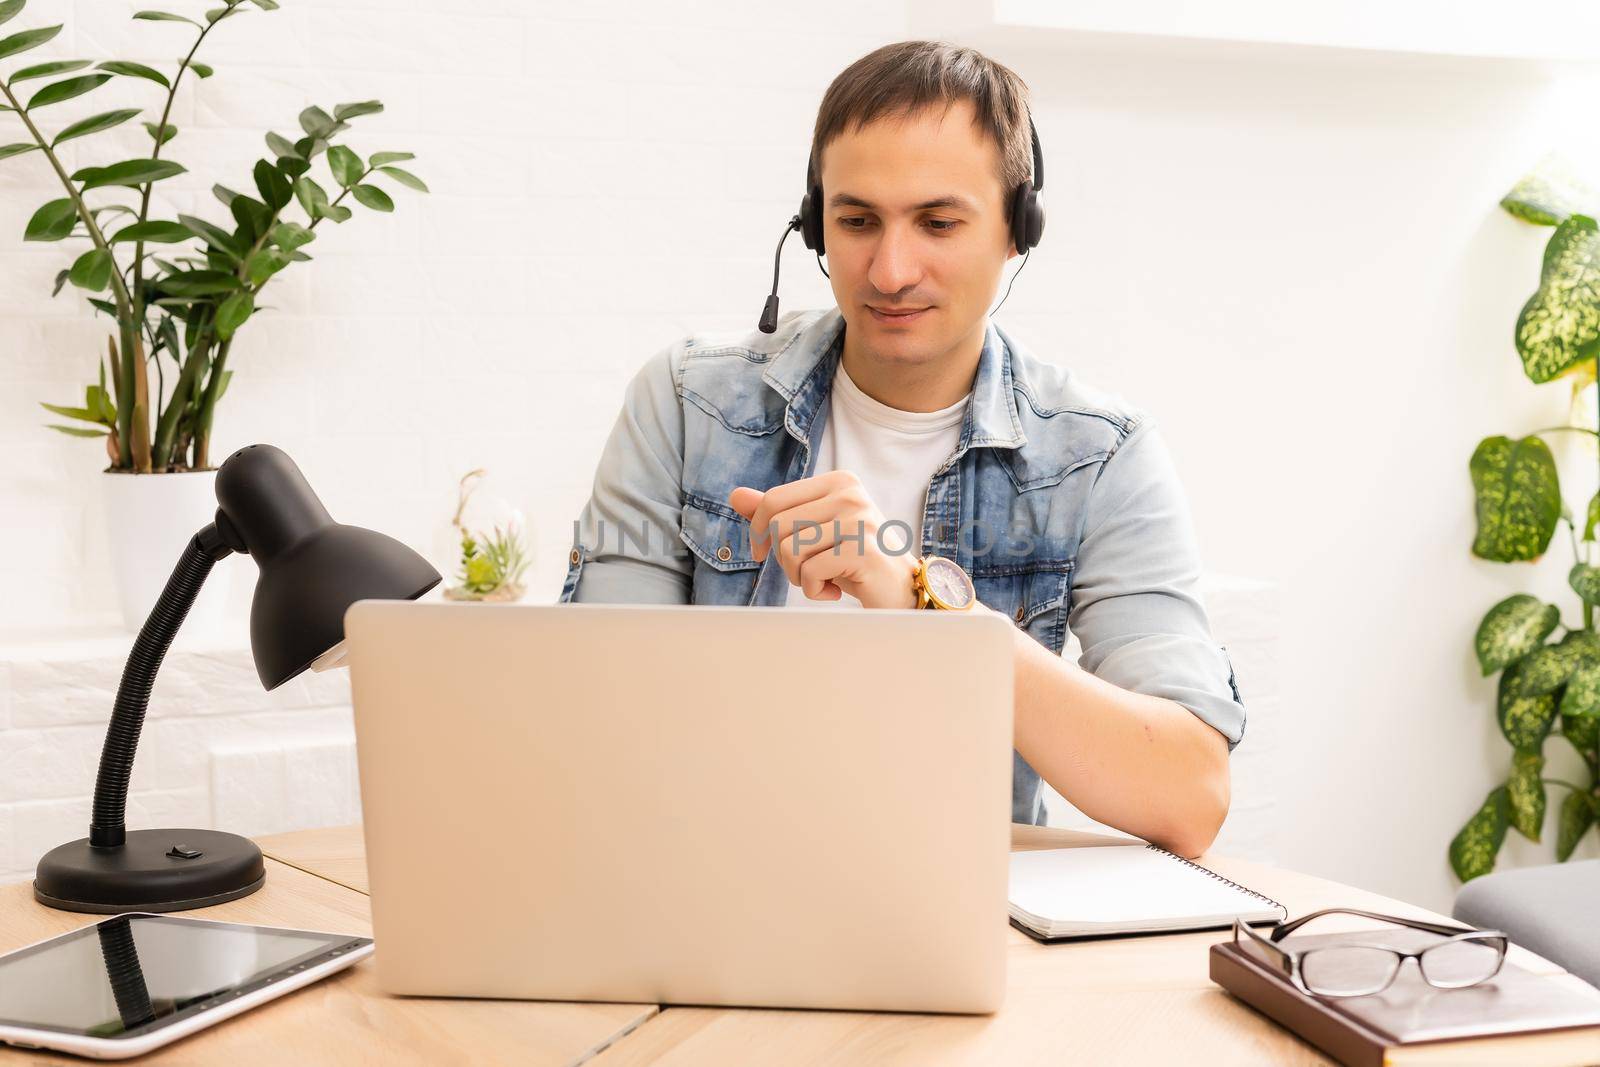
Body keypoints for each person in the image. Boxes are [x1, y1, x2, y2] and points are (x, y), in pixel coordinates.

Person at [560, 40, 1244, 858]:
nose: (889, 270)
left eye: (938, 222)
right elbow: (596, 720)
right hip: (696, 875)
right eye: (856, 221)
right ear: (814, 225)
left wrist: (920, 598)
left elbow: (1189, 795)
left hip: (954, 899)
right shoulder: (685, 402)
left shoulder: (1100, 455)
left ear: (1018, 231)